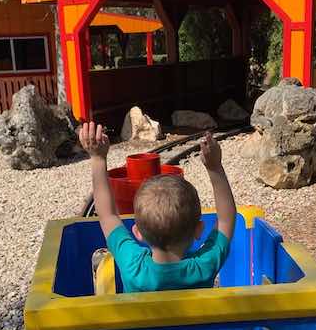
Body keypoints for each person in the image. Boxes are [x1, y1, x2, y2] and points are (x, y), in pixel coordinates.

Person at [79, 122, 236, 293]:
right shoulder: (204, 267)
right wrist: (215, 168)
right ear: (199, 230)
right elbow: (226, 219)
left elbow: (108, 216)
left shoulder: (133, 265)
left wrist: (97, 158)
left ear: (137, 232)